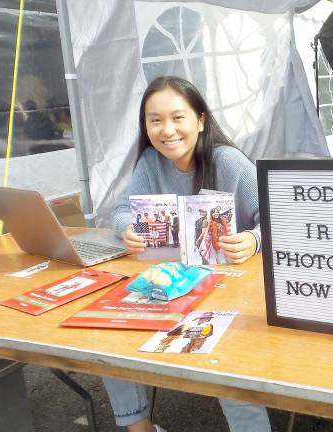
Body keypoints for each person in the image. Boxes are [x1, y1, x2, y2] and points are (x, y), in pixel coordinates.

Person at [108, 75, 265, 432]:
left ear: (201, 120)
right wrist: (126, 230)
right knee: (111, 335)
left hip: (229, 289)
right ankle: (140, 428)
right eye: (155, 120)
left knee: (227, 364)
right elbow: (120, 211)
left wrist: (253, 240)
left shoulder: (228, 162)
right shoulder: (150, 163)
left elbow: (278, 220)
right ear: (145, 125)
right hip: (168, 284)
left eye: (178, 117)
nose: (167, 130)